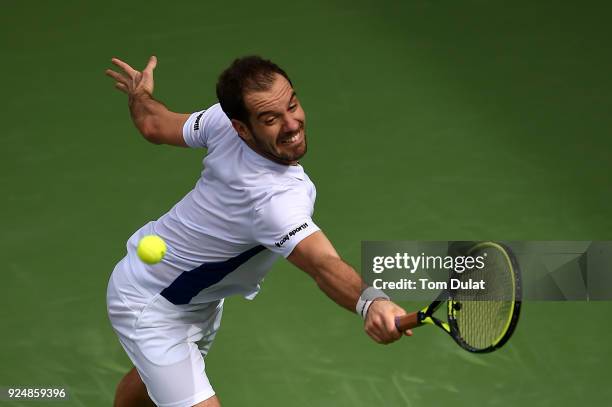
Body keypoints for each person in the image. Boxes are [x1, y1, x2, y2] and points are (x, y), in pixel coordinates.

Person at [104, 55, 412, 407]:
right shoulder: (273, 200)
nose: (292, 124)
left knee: (150, 380)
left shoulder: (221, 121)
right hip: (151, 304)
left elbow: (153, 125)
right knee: (167, 374)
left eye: (292, 105)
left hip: (194, 300)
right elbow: (322, 263)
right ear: (241, 128)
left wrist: (140, 94)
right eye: (270, 119)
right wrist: (370, 302)